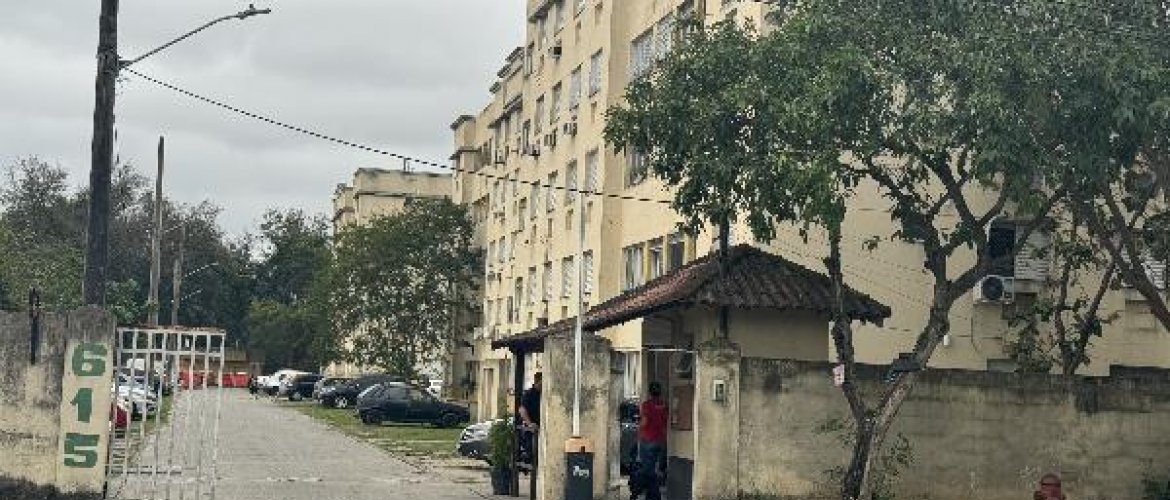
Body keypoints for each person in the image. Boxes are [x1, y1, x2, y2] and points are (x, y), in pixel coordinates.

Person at [633, 381, 667, 500]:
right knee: (652, 469)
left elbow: (645, 422)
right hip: (659, 440)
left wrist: (638, 426)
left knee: (647, 470)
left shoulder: (646, 405)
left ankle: (642, 492)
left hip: (647, 440)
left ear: (650, 392)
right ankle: (649, 494)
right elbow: (664, 423)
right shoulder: (663, 405)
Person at [518, 372, 542, 463]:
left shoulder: (544, 394)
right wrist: (530, 424)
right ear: (537, 382)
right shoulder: (528, 394)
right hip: (531, 429)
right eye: (541, 383)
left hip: (541, 428)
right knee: (531, 451)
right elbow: (522, 410)